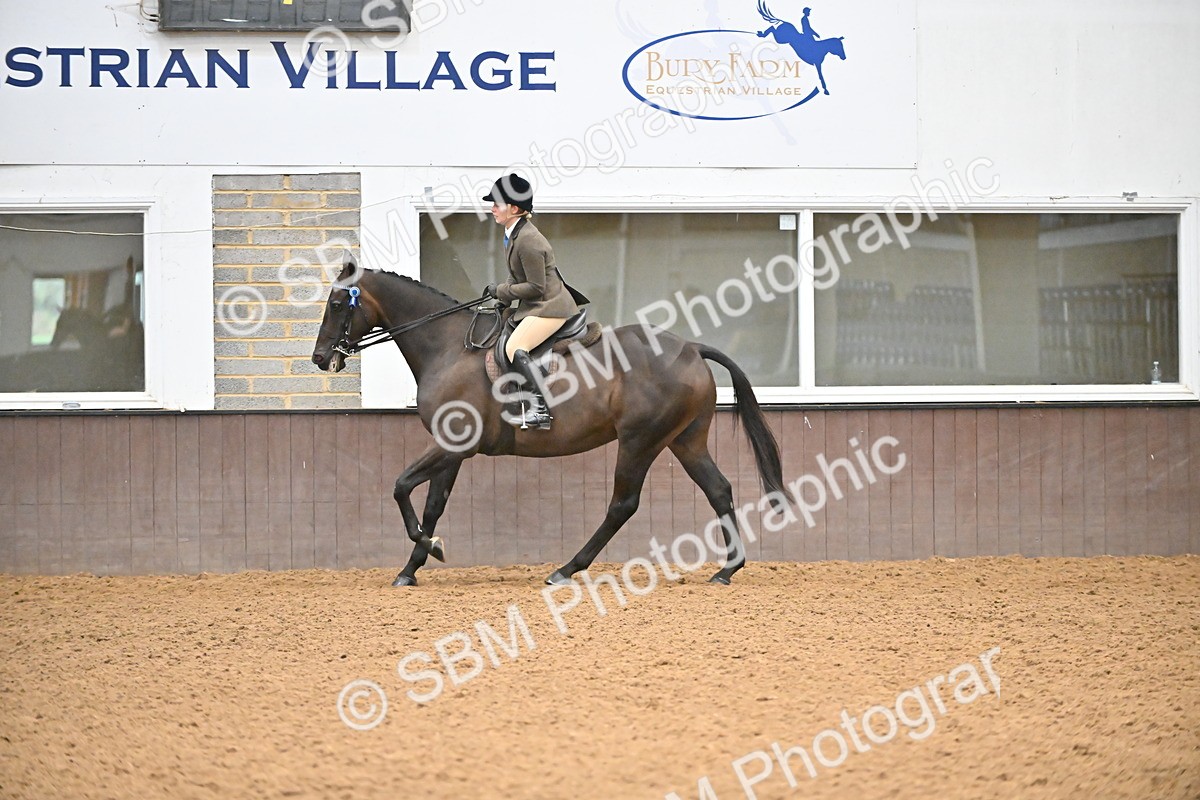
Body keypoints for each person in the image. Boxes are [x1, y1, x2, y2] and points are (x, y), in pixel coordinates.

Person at [481, 173, 588, 430]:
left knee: (516, 347)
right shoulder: (513, 233)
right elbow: (517, 275)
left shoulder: (529, 240)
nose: (492, 208)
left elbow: (536, 287)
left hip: (550, 306)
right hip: (536, 304)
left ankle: (539, 410)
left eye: (497, 204)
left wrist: (502, 291)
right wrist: (504, 299)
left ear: (515, 209)